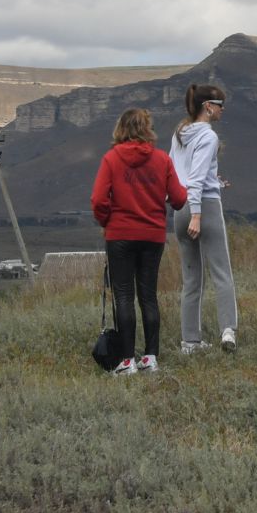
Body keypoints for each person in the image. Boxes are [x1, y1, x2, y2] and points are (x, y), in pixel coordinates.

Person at [92, 107, 189, 373]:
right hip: (153, 235)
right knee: (148, 296)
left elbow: (99, 200)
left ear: (120, 128)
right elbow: (180, 199)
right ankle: (150, 358)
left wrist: (107, 221)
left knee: (124, 296)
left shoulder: (111, 159)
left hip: (120, 235)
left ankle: (126, 361)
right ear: (147, 128)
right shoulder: (162, 160)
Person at [171, 83, 238, 354]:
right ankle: (228, 331)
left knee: (191, 277)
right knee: (221, 270)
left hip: (179, 207)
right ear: (208, 107)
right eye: (220, 105)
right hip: (204, 207)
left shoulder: (179, 134)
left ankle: (190, 341)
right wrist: (197, 215)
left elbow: (177, 172)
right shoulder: (208, 137)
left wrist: (213, 181)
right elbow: (197, 179)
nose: (222, 110)